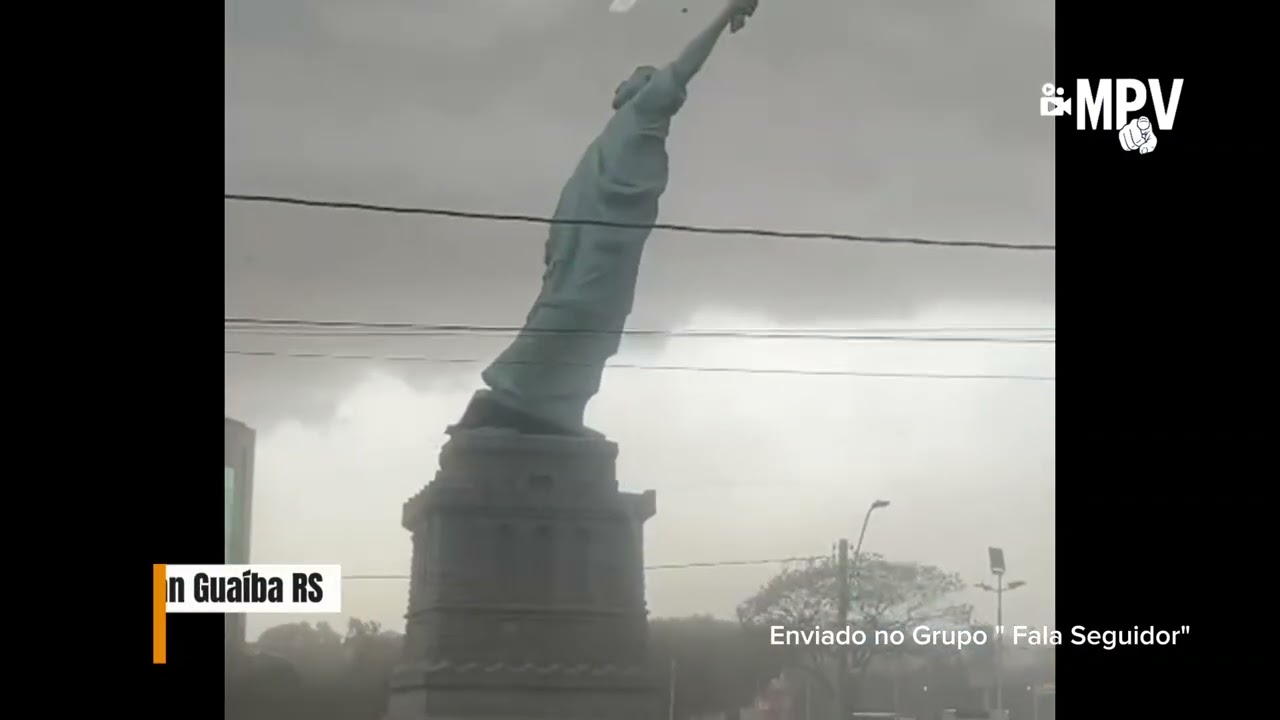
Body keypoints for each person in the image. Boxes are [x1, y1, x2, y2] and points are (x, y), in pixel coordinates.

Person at [457, 0, 761, 436]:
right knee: (575, 311)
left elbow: (683, 68)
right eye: (642, 76)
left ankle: (555, 409)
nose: (644, 81)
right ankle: (510, 391)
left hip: (612, 244)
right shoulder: (614, 133)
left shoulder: (643, 116)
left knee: (595, 324)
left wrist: (723, 14)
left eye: (648, 78)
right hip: (589, 247)